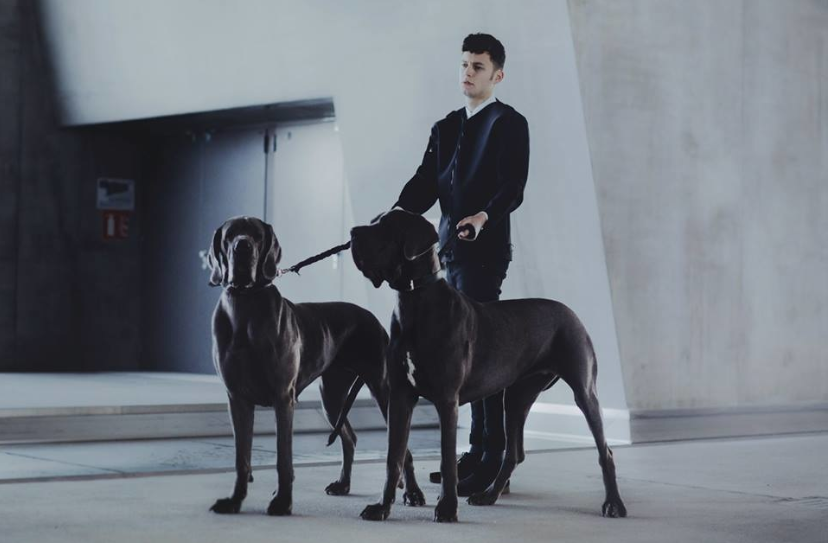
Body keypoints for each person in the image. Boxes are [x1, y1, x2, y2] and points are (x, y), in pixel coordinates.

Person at [392, 32, 530, 496]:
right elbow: (423, 183)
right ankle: (473, 451)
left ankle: (494, 456)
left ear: (498, 76)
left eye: (478, 67)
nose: (468, 73)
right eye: (465, 65)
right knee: (460, 358)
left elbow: (512, 187)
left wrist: (483, 217)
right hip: (446, 256)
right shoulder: (446, 126)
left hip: (483, 255)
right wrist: (394, 215)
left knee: (481, 355)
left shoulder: (509, 123)